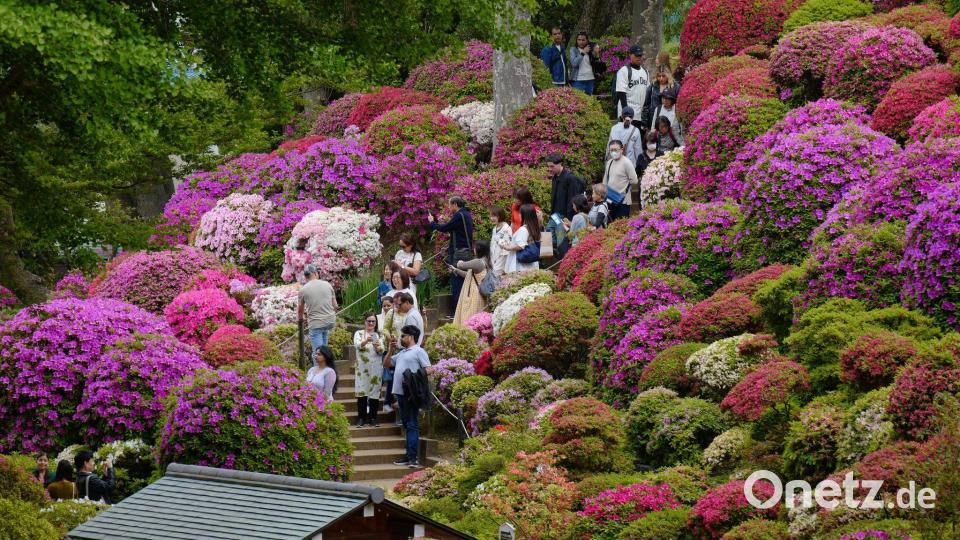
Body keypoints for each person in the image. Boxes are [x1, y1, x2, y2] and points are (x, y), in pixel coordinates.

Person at [391, 325, 431, 468]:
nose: (401, 338)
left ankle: (413, 457)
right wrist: (390, 350)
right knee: (408, 424)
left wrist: (411, 379)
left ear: (411, 337)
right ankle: (409, 456)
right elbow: (387, 363)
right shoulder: (402, 353)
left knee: (412, 424)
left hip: (410, 394)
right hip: (400, 394)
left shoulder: (419, 351)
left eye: (403, 336)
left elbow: (428, 369)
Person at [429, 197, 474, 318]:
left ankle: (456, 313)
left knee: (456, 281)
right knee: (464, 280)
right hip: (466, 252)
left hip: (458, 253)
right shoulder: (467, 214)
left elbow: (444, 228)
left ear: (455, 204)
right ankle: (465, 311)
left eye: (450, 205)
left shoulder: (459, 215)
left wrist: (432, 222)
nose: (449, 208)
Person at [298, 264, 337, 362]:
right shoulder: (327, 285)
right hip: (329, 321)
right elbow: (335, 305)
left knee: (317, 353)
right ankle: (326, 371)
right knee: (324, 350)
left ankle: (319, 375)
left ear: (306, 276)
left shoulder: (303, 290)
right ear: (315, 273)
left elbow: (300, 310)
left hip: (316, 323)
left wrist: (301, 319)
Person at [353, 314, 385, 427]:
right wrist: (366, 341)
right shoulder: (359, 333)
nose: (371, 323)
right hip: (362, 368)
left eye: (373, 321)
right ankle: (361, 418)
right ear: (365, 321)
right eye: (369, 321)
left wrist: (377, 346)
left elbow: (382, 351)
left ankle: (373, 418)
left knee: (374, 393)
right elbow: (357, 345)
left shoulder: (379, 335)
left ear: (376, 323)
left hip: (376, 368)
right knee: (362, 392)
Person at [450, 240, 491, 325]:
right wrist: (456, 271)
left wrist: (459, 261)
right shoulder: (486, 261)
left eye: (475, 248)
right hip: (480, 293)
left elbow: (461, 265)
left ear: (479, 249)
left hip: (474, 294)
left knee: (469, 318)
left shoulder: (478, 262)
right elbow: (469, 276)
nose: (473, 249)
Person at [602, 140, 639, 222]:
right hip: (610, 199)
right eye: (611, 150)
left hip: (623, 201)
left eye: (616, 150)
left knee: (621, 224)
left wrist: (624, 187)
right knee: (609, 224)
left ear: (622, 150)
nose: (613, 152)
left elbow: (634, 180)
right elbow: (605, 180)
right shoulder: (609, 162)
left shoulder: (627, 163)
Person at [614, 44, 650, 122]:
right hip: (627, 112)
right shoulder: (624, 70)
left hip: (640, 113)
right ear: (630, 55)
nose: (639, 57)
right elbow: (621, 92)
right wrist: (626, 113)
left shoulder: (645, 71)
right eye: (636, 55)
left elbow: (648, 91)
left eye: (640, 55)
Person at [546, 153, 584, 221]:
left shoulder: (570, 179)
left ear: (560, 164)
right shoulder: (555, 177)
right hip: (555, 217)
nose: (549, 169)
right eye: (548, 166)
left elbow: (573, 200)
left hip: (565, 218)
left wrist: (568, 220)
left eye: (552, 166)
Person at [505, 204, 542, 273]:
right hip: (531, 262)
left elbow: (520, 246)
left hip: (521, 265)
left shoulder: (523, 229)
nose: (519, 215)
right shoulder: (534, 227)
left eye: (520, 213)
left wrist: (507, 247)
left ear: (524, 215)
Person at [642, 67, 681, 132]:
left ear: (668, 75)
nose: (661, 78)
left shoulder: (675, 86)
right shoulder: (653, 86)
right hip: (653, 120)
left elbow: (679, 104)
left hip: (670, 119)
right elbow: (646, 104)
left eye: (663, 76)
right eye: (659, 76)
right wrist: (644, 123)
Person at [489, 206, 513, 278]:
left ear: (500, 215)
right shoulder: (494, 229)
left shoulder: (506, 228)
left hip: (502, 257)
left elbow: (507, 246)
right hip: (494, 257)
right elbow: (493, 244)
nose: (492, 218)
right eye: (491, 216)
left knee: (496, 275)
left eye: (494, 216)